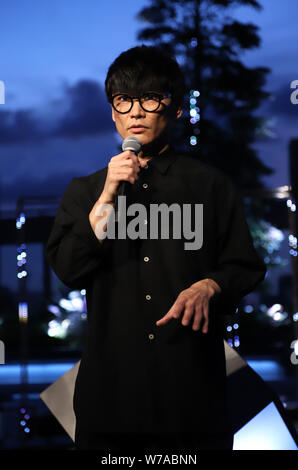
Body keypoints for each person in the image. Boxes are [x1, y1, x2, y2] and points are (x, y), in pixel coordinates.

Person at [46, 45, 267, 453]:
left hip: (191, 400)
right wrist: (108, 194)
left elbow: (245, 265)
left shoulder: (210, 186)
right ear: (112, 112)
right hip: (110, 403)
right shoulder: (86, 191)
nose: (136, 111)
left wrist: (211, 286)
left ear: (176, 109)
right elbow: (68, 269)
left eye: (150, 98)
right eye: (124, 100)